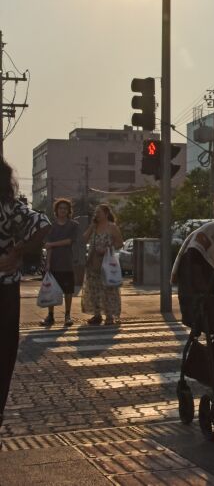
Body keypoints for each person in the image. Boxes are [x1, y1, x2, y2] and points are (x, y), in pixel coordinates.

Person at [0, 157, 50, 447]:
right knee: (4, 350)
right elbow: (42, 225)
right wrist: (18, 251)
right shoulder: (9, 207)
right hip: (6, 290)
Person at [81, 203, 123, 325]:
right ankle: (97, 314)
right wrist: (91, 227)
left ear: (106, 213)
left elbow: (120, 243)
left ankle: (110, 316)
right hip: (93, 262)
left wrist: (107, 249)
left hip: (107, 262)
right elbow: (83, 239)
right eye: (95, 212)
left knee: (108, 289)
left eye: (98, 212)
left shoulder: (112, 227)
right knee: (94, 289)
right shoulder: (94, 226)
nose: (96, 214)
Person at [40, 198, 79, 327]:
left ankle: (67, 315)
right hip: (54, 263)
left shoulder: (73, 225)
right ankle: (50, 316)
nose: (63, 210)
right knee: (51, 289)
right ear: (56, 210)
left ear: (68, 211)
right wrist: (48, 263)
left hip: (67, 263)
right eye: (60, 208)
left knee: (68, 291)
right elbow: (48, 247)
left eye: (65, 208)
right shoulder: (51, 227)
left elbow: (69, 241)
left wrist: (51, 244)